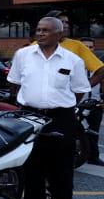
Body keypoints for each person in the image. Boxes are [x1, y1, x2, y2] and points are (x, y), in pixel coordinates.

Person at [8, 16, 90, 199]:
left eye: (46, 30)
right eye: (38, 29)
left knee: (60, 167)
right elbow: (14, 84)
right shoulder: (23, 55)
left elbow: (80, 90)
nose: (41, 33)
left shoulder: (73, 60)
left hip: (61, 117)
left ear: (59, 35)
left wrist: (60, 105)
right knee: (31, 164)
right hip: (30, 115)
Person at [44, 11, 103, 164]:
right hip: (38, 107)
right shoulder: (33, 47)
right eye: (62, 22)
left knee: (63, 144)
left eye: (67, 22)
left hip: (64, 106)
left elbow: (100, 69)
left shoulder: (76, 46)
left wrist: (83, 87)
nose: (66, 25)